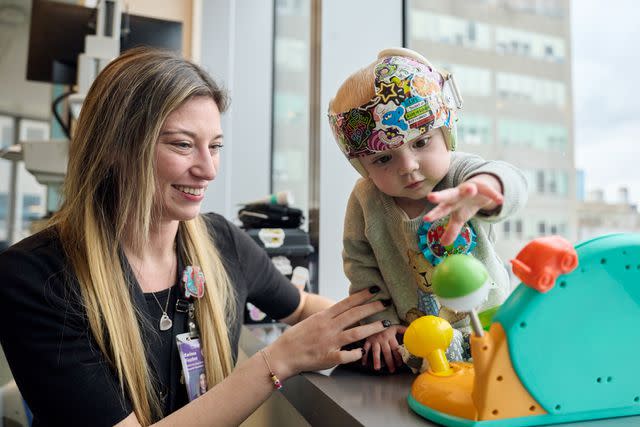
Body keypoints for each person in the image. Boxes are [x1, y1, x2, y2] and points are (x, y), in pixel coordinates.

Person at [0, 47, 390, 426]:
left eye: (215, 147)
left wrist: (384, 333)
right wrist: (277, 361)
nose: (208, 170)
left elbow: (303, 307)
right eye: (183, 145)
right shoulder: (35, 277)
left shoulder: (221, 241)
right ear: (114, 147)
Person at [328, 47, 528, 372]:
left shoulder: (461, 174)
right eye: (383, 159)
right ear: (362, 166)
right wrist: (380, 326)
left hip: (490, 331)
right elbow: (360, 267)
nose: (408, 166)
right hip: (417, 344)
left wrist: (486, 188)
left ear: (447, 132)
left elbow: (513, 181)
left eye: (421, 142)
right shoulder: (366, 199)